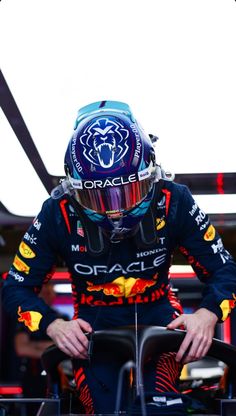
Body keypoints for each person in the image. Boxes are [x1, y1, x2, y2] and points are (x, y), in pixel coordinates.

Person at [2, 100, 236, 414]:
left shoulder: (174, 199)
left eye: (126, 192)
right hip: (92, 332)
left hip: (162, 324)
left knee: (159, 408)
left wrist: (207, 315)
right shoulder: (57, 213)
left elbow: (226, 270)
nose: (115, 209)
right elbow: (15, 288)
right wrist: (53, 326)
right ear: (73, 187)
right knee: (103, 407)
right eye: (97, 195)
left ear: (150, 174)